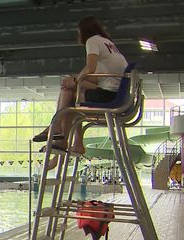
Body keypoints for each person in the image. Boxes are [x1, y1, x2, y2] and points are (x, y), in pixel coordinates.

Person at [33, 16, 128, 156]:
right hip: (115, 93)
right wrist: (75, 81)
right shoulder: (109, 44)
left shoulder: (93, 41)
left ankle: (57, 128)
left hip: (109, 96)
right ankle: (71, 140)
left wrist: (75, 81)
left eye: (78, 32)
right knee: (71, 92)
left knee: (69, 92)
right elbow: (96, 79)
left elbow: (90, 68)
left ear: (83, 31)